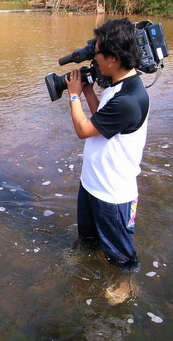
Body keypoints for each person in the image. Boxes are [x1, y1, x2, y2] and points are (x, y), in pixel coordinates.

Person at [65, 18, 148, 272]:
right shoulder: (119, 85)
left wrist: (74, 95)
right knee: (88, 240)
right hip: (92, 184)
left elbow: (84, 130)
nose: (94, 57)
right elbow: (102, 119)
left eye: (97, 52)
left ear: (113, 57)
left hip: (112, 195)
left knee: (122, 257)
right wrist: (89, 92)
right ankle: (87, 267)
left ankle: (125, 289)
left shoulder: (129, 100)